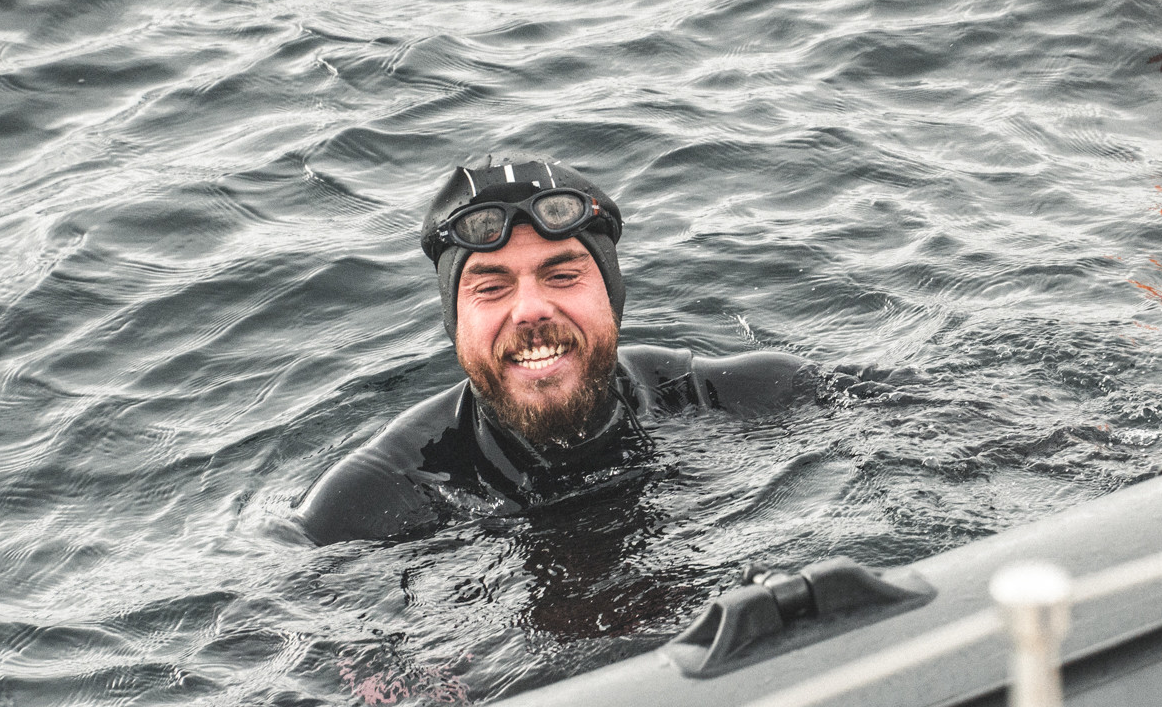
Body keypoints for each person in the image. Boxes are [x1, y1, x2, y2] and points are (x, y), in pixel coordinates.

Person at [293, 159, 841, 546]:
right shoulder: (367, 505)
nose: (530, 310)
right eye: (491, 286)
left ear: (612, 297)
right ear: (454, 323)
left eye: (562, 275)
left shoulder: (754, 396)